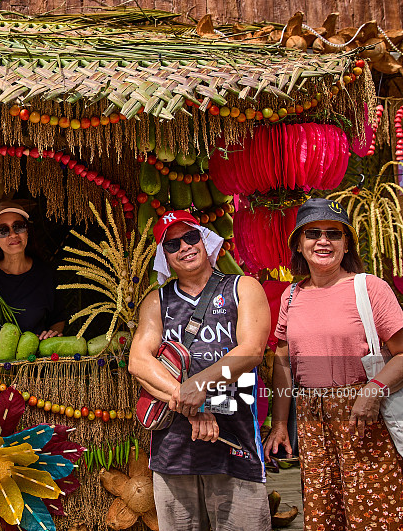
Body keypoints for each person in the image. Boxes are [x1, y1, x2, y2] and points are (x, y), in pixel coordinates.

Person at [264, 198, 403, 529]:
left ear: (346, 244)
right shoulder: (291, 296)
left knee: (374, 515)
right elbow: (283, 364)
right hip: (312, 423)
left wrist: (374, 389)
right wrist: (280, 423)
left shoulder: (369, 288)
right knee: (323, 516)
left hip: (365, 418)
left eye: (334, 234)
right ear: (299, 243)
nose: (323, 241)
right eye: (313, 233)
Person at [128, 211, 271, 531]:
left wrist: (201, 384)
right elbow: (139, 361)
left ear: (205, 240)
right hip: (174, 453)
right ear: (164, 256)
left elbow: (251, 350)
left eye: (191, 237)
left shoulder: (243, 288)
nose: (185, 247)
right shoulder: (157, 301)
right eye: (172, 243)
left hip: (236, 445)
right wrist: (192, 403)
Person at [0, 201, 65, 339]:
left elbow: (57, 318)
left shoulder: (45, 274)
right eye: (2, 230)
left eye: (18, 227)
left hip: (34, 357)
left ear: (27, 231)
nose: (12, 235)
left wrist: (52, 336)